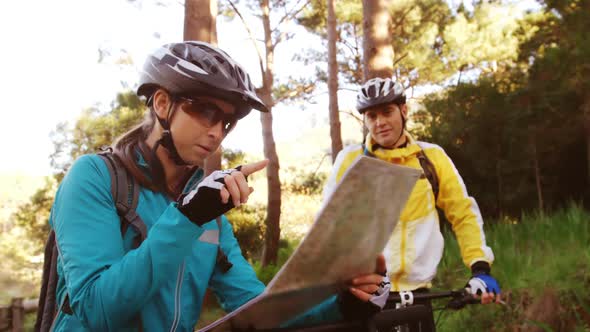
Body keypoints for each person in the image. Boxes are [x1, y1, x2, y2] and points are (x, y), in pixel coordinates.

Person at [48, 41, 389, 331]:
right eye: (206, 111)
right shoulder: (94, 177)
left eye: (227, 122)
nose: (217, 132)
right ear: (163, 104)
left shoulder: (206, 207)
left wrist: (345, 304)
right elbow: (95, 310)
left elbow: (254, 309)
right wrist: (188, 217)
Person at [323, 77, 502, 329]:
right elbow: (329, 223)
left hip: (419, 294)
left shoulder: (431, 157)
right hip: (367, 294)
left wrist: (480, 268)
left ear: (403, 111)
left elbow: (463, 213)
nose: (380, 122)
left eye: (387, 112)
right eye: (371, 116)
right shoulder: (351, 161)